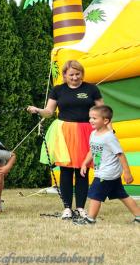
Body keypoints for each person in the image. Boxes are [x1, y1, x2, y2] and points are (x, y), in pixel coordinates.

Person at [27, 60, 104, 220]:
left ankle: (81, 208)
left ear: (82, 73)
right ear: (64, 75)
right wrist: (38, 110)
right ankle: (67, 208)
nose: (75, 77)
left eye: (78, 74)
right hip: (64, 133)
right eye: (71, 75)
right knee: (66, 171)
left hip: (86, 132)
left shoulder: (91, 89)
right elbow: (49, 112)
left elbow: (102, 111)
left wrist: (106, 129)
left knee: (83, 170)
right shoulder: (58, 90)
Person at [75, 105, 140, 226]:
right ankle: (139, 216)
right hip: (105, 172)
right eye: (90, 118)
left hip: (107, 173)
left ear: (105, 121)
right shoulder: (93, 134)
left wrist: (127, 172)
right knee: (122, 195)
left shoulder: (109, 137)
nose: (91, 120)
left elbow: (120, 155)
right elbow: (92, 150)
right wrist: (85, 163)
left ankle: (90, 219)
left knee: (95, 195)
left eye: (94, 118)